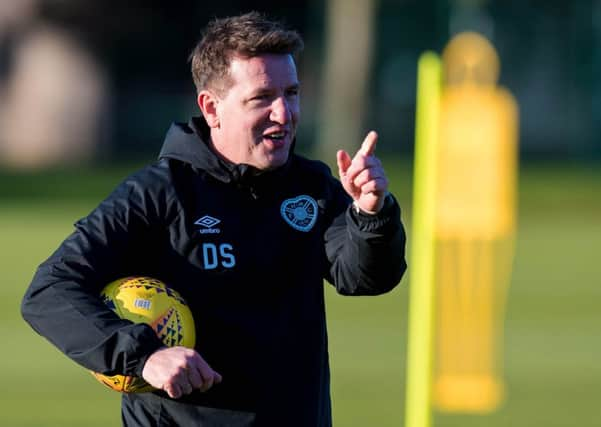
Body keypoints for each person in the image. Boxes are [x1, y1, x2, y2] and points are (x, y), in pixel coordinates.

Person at [21, 11, 407, 427]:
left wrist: (370, 214)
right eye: (262, 98)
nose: (284, 113)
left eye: (291, 93)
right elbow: (49, 292)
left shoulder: (310, 186)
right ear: (211, 107)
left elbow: (365, 278)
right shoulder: (158, 194)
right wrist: (144, 355)